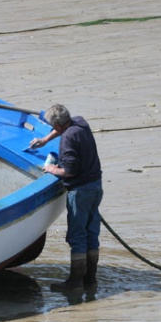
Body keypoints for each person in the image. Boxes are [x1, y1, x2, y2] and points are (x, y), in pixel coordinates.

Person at [29, 104, 103, 292]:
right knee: (91, 234)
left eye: (52, 125)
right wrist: (46, 139)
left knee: (77, 236)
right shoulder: (81, 123)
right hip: (96, 187)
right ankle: (90, 280)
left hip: (80, 192)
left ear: (58, 125)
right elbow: (60, 129)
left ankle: (75, 282)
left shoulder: (68, 139)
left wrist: (52, 169)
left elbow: (70, 170)